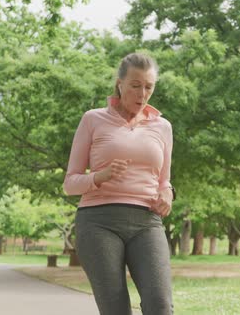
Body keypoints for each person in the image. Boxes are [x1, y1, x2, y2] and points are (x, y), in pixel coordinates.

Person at [63, 52, 174, 315]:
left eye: (149, 87)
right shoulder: (93, 119)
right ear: (120, 83)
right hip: (98, 222)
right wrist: (98, 177)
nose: (142, 93)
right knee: (116, 310)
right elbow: (70, 183)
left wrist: (167, 194)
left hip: (147, 222)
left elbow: (164, 180)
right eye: (135, 85)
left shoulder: (163, 127)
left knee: (160, 306)